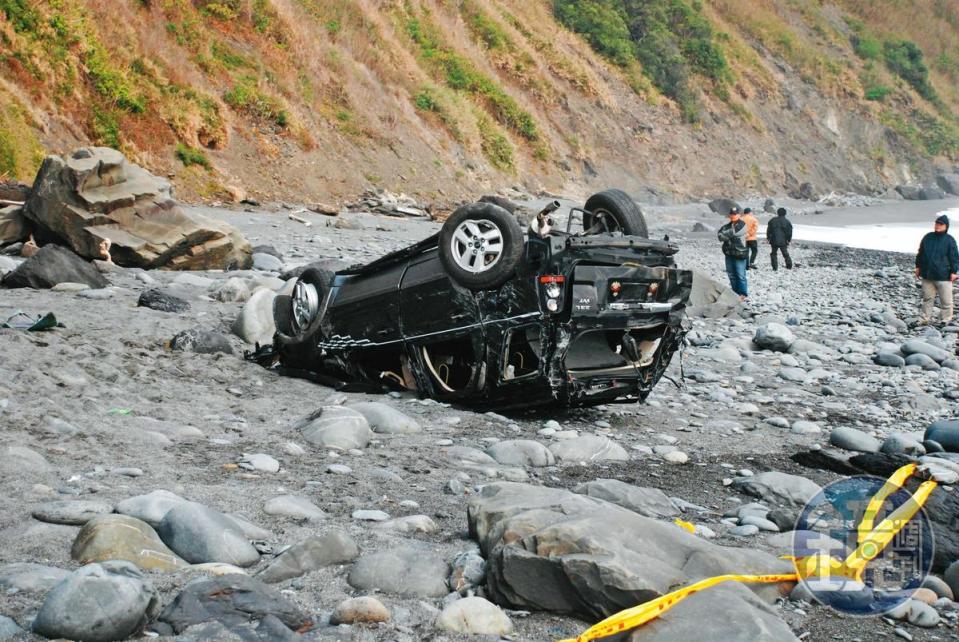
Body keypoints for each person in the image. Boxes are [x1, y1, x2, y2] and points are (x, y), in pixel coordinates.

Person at [915, 214, 959, 325]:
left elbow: (954, 257)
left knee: (946, 301)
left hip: (943, 275)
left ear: (946, 226)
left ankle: (945, 319)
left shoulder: (950, 240)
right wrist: (918, 267)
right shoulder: (927, 237)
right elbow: (921, 253)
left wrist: (954, 271)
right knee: (927, 299)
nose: (938, 225)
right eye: (937, 223)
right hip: (927, 274)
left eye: (941, 224)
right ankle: (925, 318)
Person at [717, 206, 749, 301]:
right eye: (732, 214)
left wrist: (726, 234)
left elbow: (737, 232)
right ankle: (735, 293)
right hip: (729, 253)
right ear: (729, 215)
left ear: (739, 215)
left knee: (740, 275)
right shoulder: (726, 226)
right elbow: (720, 236)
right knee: (731, 274)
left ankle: (743, 294)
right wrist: (729, 234)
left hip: (740, 253)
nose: (733, 216)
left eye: (735, 214)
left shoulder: (742, 224)